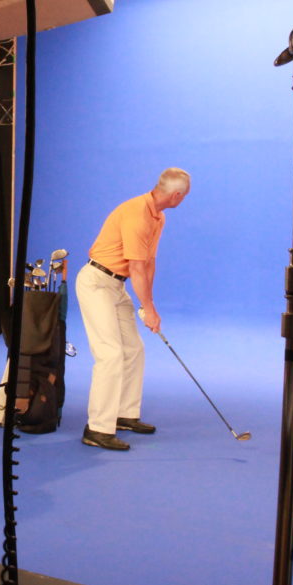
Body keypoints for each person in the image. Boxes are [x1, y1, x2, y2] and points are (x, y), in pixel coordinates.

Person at [76, 167, 190, 451]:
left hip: (117, 285)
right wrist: (148, 309)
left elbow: (148, 263)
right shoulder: (137, 213)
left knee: (134, 350)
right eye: (185, 195)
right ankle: (97, 428)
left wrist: (148, 305)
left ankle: (124, 414)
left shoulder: (158, 216)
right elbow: (137, 266)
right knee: (110, 354)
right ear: (177, 195)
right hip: (96, 282)